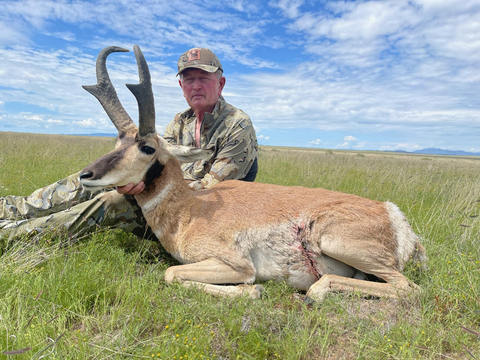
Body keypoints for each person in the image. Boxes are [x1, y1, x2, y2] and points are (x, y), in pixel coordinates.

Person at [0, 47, 258, 248]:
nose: (196, 85)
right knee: (88, 180)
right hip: (162, 199)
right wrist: (132, 174)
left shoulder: (237, 125)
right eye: (189, 79)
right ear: (181, 87)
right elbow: (156, 161)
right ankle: (10, 209)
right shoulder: (180, 122)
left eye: (204, 78)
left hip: (201, 221)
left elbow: (215, 190)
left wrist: (142, 183)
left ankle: (12, 237)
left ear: (220, 83)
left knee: (112, 201)